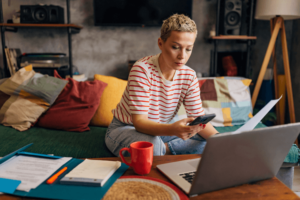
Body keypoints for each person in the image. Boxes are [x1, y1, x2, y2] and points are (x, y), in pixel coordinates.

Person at [105, 14, 219, 156]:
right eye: (175, 47)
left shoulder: (189, 76)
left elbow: (199, 121)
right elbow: (140, 122)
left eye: (188, 49)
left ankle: (163, 149)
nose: (182, 56)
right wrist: (172, 130)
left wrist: (223, 141)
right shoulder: (142, 69)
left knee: (209, 143)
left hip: (160, 131)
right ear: (160, 43)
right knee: (151, 146)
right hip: (126, 128)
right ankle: (164, 149)